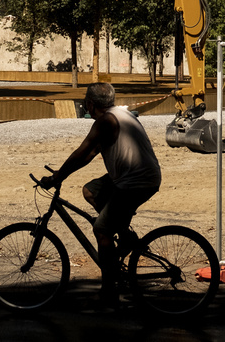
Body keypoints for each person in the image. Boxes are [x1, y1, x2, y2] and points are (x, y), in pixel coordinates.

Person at [38, 82, 162, 305]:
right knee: (91, 191)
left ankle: (109, 291)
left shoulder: (106, 121)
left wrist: (57, 177)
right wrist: (62, 174)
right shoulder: (121, 114)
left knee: (102, 229)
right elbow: (89, 154)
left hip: (136, 182)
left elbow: (82, 152)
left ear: (90, 104)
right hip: (134, 176)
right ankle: (125, 236)